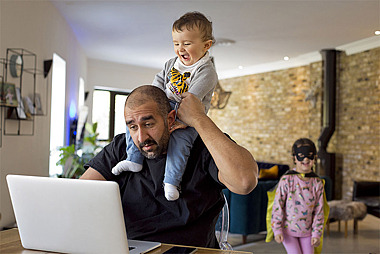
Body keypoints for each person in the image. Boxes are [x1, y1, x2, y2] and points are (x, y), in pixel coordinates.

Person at [80, 85, 257, 248]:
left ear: (170, 118)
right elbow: (80, 194)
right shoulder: (121, 147)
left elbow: (244, 182)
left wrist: (198, 118)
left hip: (192, 251)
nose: (141, 137)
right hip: (132, 249)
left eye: (149, 124)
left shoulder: (203, 146)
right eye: (133, 127)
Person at [111, 11, 218, 201]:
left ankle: (171, 181)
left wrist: (180, 122)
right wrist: (150, 101)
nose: (180, 49)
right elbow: (158, 83)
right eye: (176, 44)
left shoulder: (206, 70)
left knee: (180, 142)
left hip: (188, 116)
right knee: (136, 123)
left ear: (206, 45)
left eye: (187, 44)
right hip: (164, 108)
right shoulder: (172, 63)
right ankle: (133, 159)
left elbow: (192, 99)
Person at [266, 138, 329, 254]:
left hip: (308, 232)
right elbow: (278, 205)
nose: (305, 159)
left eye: (309, 155)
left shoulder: (317, 182)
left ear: (315, 158)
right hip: (288, 232)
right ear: (294, 158)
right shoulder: (287, 180)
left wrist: (317, 233)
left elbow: (319, 210)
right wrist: (277, 230)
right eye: (301, 155)